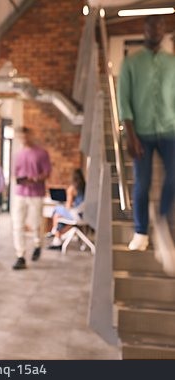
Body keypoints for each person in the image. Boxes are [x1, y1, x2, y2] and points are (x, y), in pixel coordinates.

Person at [117, 15, 175, 251]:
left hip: (170, 130)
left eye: (160, 27)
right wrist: (130, 135)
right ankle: (141, 231)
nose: (155, 31)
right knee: (143, 182)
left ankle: (161, 217)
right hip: (140, 133)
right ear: (145, 30)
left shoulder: (172, 63)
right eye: (151, 27)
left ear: (164, 31)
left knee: (174, 177)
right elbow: (124, 100)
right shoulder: (131, 62)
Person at [12, 127, 51, 269]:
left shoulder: (42, 153)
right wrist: (20, 179)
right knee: (17, 224)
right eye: (21, 136)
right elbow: (14, 174)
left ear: (31, 135)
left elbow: (47, 173)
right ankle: (20, 255)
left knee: (36, 224)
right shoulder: (18, 154)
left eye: (26, 136)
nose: (24, 139)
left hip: (36, 193)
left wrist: (35, 179)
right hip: (20, 193)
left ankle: (37, 244)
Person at [47, 168, 85, 250]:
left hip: (76, 215)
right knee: (58, 215)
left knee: (57, 209)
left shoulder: (72, 188)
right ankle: (56, 236)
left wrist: (66, 203)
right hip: (85, 216)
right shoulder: (85, 188)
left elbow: (68, 206)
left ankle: (55, 234)